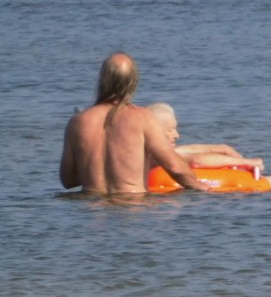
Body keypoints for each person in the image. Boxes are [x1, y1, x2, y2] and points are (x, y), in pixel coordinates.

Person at [60, 53, 210, 196]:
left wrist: (97, 170)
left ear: (102, 80)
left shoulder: (77, 122)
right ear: (133, 82)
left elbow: (67, 180)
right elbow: (176, 168)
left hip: (92, 214)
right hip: (132, 209)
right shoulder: (143, 117)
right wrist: (197, 185)